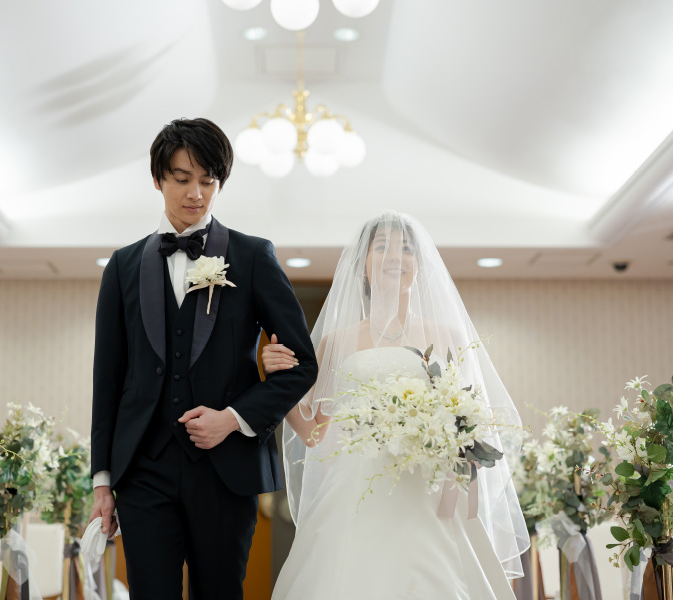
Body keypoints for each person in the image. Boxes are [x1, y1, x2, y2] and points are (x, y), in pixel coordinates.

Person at [89, 118, 318, 599]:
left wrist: (233, 419)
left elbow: (303, 365)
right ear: (158, 179)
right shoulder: (123, 266)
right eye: (182, 178)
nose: (196, 193)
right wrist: (102, 482)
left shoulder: (252, 256)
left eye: (208, 181)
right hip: (143, 469)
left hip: (225, 471)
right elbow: (107, 380)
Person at [264, 211, 529, 600]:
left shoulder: (448, 335)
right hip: (356, 486)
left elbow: (468, 414)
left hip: (427, 485)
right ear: (362, 263)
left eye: (406, 249)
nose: (395, 257)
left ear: (419, 264)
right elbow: (315, 432)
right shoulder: (336, 341)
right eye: (382, 247)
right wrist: (279, 382)